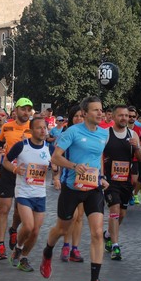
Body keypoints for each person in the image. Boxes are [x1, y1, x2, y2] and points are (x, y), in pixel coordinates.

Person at [40, 96, 110, 281]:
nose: (99, 113)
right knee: (62, 229)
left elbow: (98, 159)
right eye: (95, 110)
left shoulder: (104, 134)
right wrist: (74, 166)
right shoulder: (72, 132)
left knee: (97, 233)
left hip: (93, 188)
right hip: (72, 187)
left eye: (101, 110)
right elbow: (56, 157)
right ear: (85, 113)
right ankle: (47, 251)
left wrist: (102, 176)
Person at [4, 117, 51, 271]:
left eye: (45, 127)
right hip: (23, 192)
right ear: (31, 131)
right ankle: (17, 247)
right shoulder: (21, 146)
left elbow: (55, 163)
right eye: (39, 128)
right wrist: (15, 169)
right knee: (29, 226)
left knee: (36, 231)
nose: (43, 130)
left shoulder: (49, 148)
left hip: (40, 193)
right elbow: (6, 161)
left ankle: (23, 257)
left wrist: (56, 176)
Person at [102, 105, 141, 260]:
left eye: (126, 116)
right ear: (113, 116)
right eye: (121, 115)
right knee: (114, 210)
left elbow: (140, 158)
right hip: (110, 180)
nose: (124, 118)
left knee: (122, 213)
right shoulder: (106, 134)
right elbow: (99, 156)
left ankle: (107, 234)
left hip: (125, 180)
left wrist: (137, 146)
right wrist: (101, 176)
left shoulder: (132, 134)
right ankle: (115, 246)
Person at [0, 98, 33, 260]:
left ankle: (14, 229)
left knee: (19, 210)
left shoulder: (34, 128)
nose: (26, 112)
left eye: (28, 109)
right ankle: (1, 245)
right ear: (15, 110)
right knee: (4, 209)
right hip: (8, 171)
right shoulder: (7, 126)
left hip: (26, 174)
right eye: (23, 109)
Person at [55, 105, 87, 263]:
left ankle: (75, 248)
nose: (79, 119)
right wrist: (56, 176)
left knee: (80, 216)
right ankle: (66, 244)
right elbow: (56, 157)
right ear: (71, 118)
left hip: (86, 179)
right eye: (76, 116)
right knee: (70, 217)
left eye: (82, 116)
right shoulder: (67, 134)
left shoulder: (89, 133)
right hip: (69, 179)